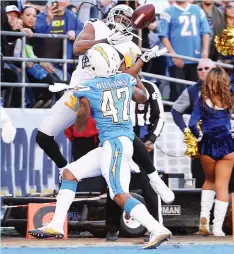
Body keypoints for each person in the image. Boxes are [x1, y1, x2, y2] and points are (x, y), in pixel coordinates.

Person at [29, 43, 172, 249]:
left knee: (119, 194)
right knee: (70, 173)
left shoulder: (89, 87)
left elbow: (80, 125)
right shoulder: (124, 79)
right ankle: (57, 224)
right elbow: (143, 97)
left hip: (114, 144)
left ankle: (156, 228)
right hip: (119, 142)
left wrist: (80, 102)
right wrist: (135, 76)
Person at [36, 4, 175, 204]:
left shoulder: (131, 45)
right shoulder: (95, 26)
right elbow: (77, 48)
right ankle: (62, 168)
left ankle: (154, 177)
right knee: (43, 136)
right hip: (80, 90)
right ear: (111, 15)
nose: (120, 22)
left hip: (107, 93)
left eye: (126, 20)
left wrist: (140, 66)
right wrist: (107, 40)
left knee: (125, 134)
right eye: (118, 17)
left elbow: (134, 83)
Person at [105, 78, 165, 241]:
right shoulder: (111, 85)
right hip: (119, 137)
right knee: (114, 181)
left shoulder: (151, 87)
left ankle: (157, 227)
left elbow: (159, 115)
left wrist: (152, 138)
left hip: (142, 140)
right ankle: (112, 228)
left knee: (149, 182)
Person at [188, 67, 234, 237]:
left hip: (208, 144)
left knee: (209, 180)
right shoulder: (229, 100)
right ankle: (218, 228)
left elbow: (192, 124)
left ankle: (204, 222)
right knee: (222, 185)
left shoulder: (202, 100)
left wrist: (199, 136)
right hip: (227, 145)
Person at [171, 58, 215, 188]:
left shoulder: (226, 88)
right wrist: (186, 131)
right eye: (200, 69)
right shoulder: (191, 91)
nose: (203, 72)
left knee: (225, 180)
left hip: (222, 140)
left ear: (215, 69)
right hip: (200, 142)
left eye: (206, 68)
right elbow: (175, 111)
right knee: (200, 179)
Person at [158, 0, 211, 101]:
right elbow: (163, 35)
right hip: (177, 59)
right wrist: (173, 55)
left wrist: (205, 51)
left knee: (197, 93)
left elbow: (205, 32)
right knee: (177, 93)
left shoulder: (198, 10)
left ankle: (193, 116)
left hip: (196, 58)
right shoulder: (168, 11)